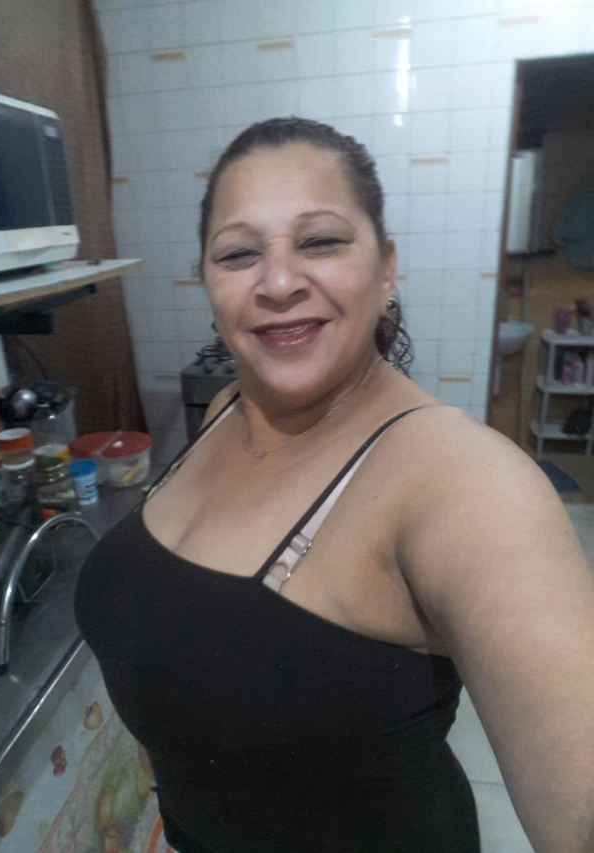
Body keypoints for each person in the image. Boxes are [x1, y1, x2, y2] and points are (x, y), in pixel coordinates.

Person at [75, 118, 594, 852]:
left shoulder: (463, 479)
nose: (279, 282)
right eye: (239, 252)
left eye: (319, 240)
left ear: (386, 268)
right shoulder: (225, 412)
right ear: (208, 281)